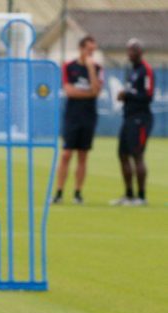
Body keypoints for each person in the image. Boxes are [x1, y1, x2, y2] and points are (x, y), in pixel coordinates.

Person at [53, 35, 102, 205]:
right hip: (72, 116)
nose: (91, 53)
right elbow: (69, 91)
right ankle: (59, 192)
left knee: (83, 156)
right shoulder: (69, 67)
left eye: (93, 51)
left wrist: (90, 70)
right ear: (81, 49)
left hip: (89, 117)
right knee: (66, 154)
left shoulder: (96, 68)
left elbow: (96, 91)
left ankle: (78, 193)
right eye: (89, 50)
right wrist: (88, 93)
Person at [111, 39, 154, 207]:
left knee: (137, 155)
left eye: (133, 51)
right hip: (128, 118)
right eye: (128, 50)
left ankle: (141, 196)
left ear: (140, 52)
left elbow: (148, 96)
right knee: (122, 155)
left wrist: (127, 95)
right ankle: (128, 195)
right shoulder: (131, 70)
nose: (130, 54)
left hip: (141, 119)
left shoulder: (146, 70)